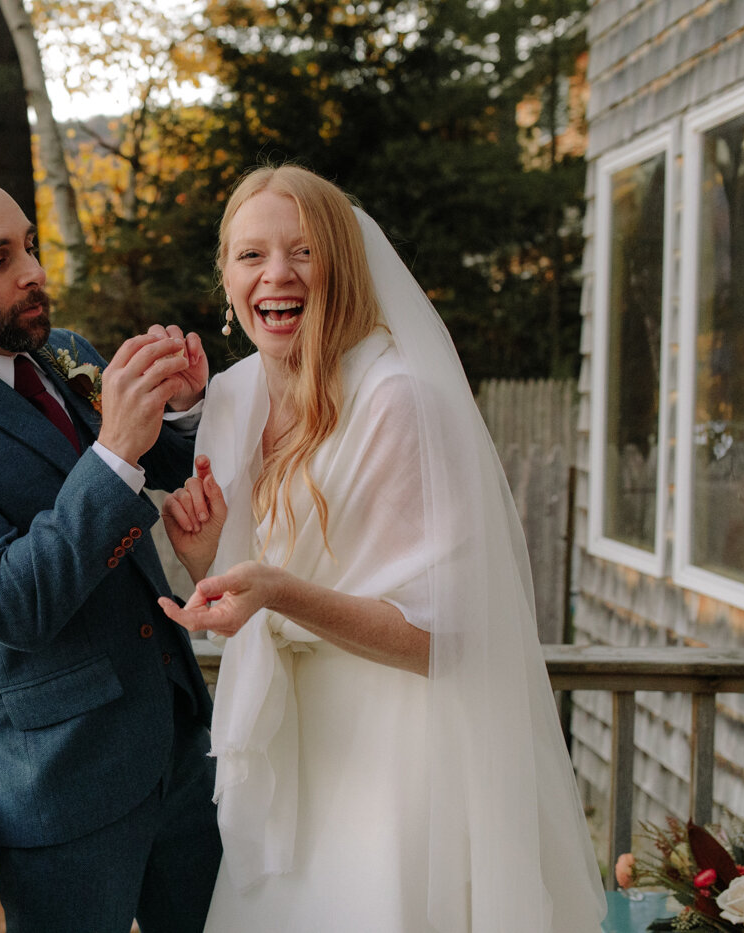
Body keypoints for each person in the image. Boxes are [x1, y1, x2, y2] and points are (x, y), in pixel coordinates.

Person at [158, 165, 607, 933]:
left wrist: (276, 589)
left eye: (303, 251)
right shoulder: (233, 396)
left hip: (397, 750)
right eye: (251, 254)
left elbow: (444, 639)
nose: (277, 274)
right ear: (226, 278)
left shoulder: (399, 402)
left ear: (345, 264)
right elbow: (251, 596)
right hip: (289, 746)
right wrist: (206, 558)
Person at [0, 177, 223, 933]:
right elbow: (11, 602)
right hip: (64, 779)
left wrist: (181, 409)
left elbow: (162, 473)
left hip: (180, 735)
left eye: (30, 246)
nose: (32, 272)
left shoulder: (63, 354)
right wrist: (116, 447)